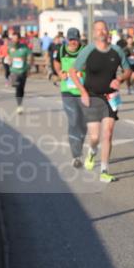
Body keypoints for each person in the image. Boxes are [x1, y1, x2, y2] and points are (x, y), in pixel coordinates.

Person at [71, 20, 133, 183]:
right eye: (98, 30)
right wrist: (83, 92)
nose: (101, 32)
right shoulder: (88, 51)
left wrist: (119, 79)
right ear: (94, 33)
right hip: (92, 96)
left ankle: (104, 170)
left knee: (108, 133)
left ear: (108, 32)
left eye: (104, 29)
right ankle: (92, 151)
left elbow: (128, 70)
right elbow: (73, 71)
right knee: (95, 137)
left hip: (110, 97)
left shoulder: (117, 51)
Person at [53, 28, 87, 166]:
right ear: (67, 39)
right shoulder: (61, 50)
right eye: (71, 39)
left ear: (79, 39)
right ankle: (76, 156)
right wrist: (59, 72)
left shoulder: (85, 51)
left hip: (83, 91)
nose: (73, 42)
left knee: (83, 124)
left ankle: (79, 146)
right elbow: (56, 62)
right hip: (67, 91)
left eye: (75, 39)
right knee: (73, 120)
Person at [6, 30, 32, 114]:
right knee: (17, 86)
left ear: (19, 39)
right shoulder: (10, 47)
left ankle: (19, 105)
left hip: (23, 70)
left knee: (21, 88)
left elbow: (30, 57)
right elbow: (8, 56)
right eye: (13, 38)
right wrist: (9, 60)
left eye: (16, 38)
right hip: (14, 70)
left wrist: (29, 68)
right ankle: (11, 81)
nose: (14, 40)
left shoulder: (24, 48)